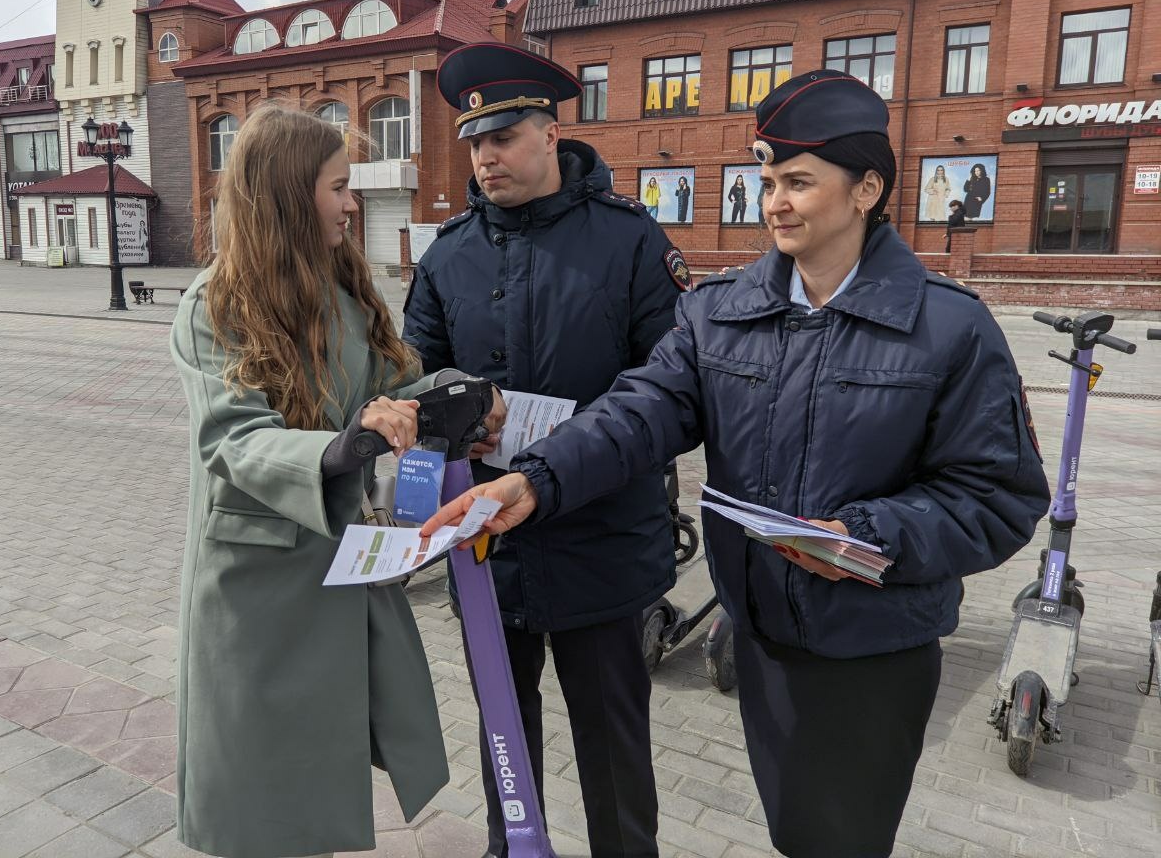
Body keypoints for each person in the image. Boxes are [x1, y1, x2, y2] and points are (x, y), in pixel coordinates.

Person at [424, 69, 1050, 858]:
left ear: (865, 190)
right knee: (795, 829)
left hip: (872, 638)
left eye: (798, 182)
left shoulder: (948, 327)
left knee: (842, 838)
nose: (775, 201)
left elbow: (997, 495)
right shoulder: (721, 313)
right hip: (761, 634)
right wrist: (539, 481)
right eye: (767, 181)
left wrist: (864, 534)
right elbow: (638, 412)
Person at [403, 41, 690, 858]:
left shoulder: (630, 242)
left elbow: (673, 395)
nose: (485, 157)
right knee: (504, 748)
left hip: (604, 545)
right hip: (489, 551)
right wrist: (444, 418)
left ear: (552, 132)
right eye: (473, 143)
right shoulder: (449, 253)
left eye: (503, 136)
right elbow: (413, 378)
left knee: (613, 756)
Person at [170, 104, 462, 858]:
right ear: (289, 193)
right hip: (254, 595)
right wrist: (339, 449)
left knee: (312, 796)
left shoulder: (345, 299)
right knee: (257, 805)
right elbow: (233, 440)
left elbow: (407, 383)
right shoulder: (213, 306)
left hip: (336, 579)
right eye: (338, 185)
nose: (352, 202)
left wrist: (467, 396)